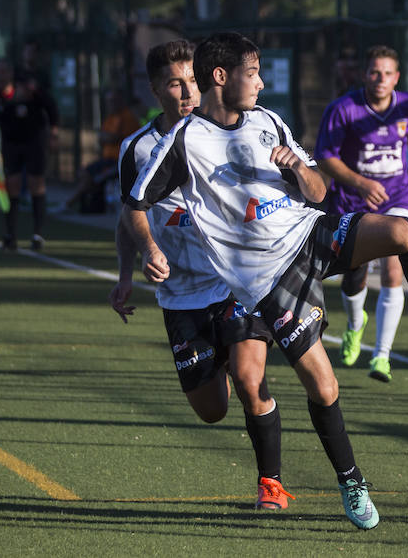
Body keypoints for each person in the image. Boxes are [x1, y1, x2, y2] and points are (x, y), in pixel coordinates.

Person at [122, 32, 408, 530]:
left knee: (403, 230)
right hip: (269, 280)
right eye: (253, 73)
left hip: (309, 233)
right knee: (323, 387)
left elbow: (318, 188)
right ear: (221, 77)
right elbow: (135, 205)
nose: (261, 84)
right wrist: (150, 249)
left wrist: (295, 172)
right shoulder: (182, 142)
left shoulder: (266, 121)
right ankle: (351, 480)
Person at [109, 39, 291, 510]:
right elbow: (131, 213)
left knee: (252, 382)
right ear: (155, 90)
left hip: (236, 282)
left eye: (192, 79)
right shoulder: (139, 148)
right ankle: (223, 361)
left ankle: (270, 484)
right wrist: (135, 263)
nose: (187, 91)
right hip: (181, 296)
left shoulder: (230, 129)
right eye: (175, 83)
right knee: (212, 411)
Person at [314, 45, 408, 383]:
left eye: (388, 73)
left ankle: (382, 356)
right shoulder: (343, 109)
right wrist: (361, 183)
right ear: (365, 75)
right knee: (354, 275)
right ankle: (354, 323)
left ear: (397, 78)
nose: (381, 79)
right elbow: (325, 157)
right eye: (375, 72)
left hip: (396, 197)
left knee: (394, 271)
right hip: (352, 202)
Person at [0, 59, 59, 251]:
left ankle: (38, 234)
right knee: (12, 186)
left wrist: (53, 134)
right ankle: (10, 235)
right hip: (11, 143)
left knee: (36, 184)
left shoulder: (28, 87)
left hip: (35, 140)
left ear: (10, 73)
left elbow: (50, 107)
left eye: (2, 72)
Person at [61, 88, 140, 212]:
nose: (110, 104)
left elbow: (112, 137)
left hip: (119, 162)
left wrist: (108, 137)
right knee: (84, 172)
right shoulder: (110, 118)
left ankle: (69, 204)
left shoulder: (127, 117)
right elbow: (102, 137)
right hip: (107, 159)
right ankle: (87, 204)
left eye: (113, 101)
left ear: (120, 101)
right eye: (108, 101)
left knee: (92, 178)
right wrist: (107, 137)